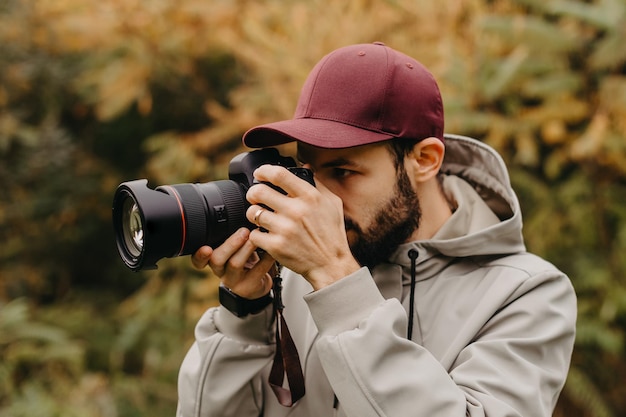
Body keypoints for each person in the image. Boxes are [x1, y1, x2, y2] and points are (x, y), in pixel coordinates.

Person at [176, 42, 577, 417]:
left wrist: (337, 280)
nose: (319, 201)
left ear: (424, 159)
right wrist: (245, 313)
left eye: (343, 171)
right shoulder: (297, 279)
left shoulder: (527, 293)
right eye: (308, 171)